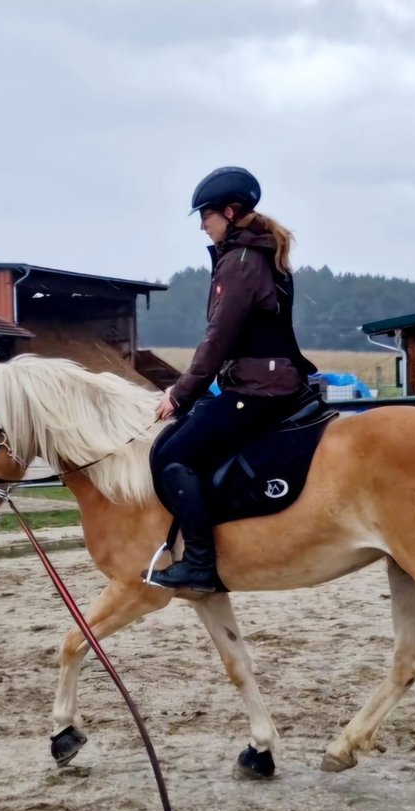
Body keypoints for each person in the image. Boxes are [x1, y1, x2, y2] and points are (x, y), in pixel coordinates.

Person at [146, 166, 316, 592]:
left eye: (207, 215)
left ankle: (200, 563)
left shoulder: (240, 262)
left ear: (230, 211)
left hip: (259, 388)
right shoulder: (252, 254)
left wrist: (181, 395)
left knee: (174, 455)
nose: (203, 224)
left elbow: (218, 339)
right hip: (265, 381)